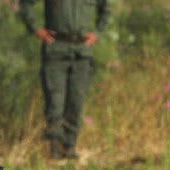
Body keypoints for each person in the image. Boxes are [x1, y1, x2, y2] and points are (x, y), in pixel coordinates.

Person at [18, 0, 112, 159]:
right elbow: (25, 4)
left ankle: (69, 148)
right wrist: (37, 29)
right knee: (55, 103)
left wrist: (97, 33)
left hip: (82, 52)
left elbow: (106, 10)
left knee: (76, 102)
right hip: (56, 50)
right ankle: (54, 150)